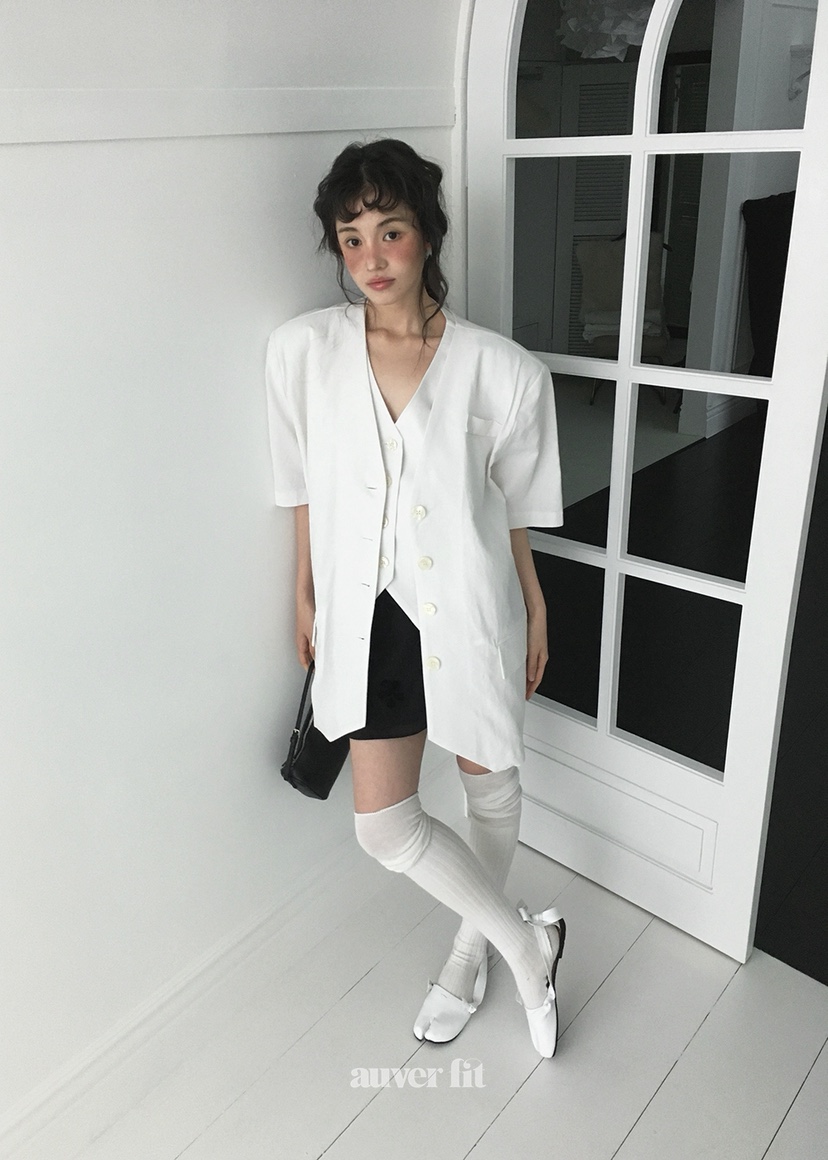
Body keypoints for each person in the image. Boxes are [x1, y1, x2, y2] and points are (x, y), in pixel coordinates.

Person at [266, 138, 567, 1058]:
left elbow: (516, 505)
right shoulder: (302, 352)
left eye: (390, 232)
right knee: (384, 825)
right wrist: (303, 590)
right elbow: (301, 483)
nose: (371, 258)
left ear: (427, 235)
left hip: (470, 602)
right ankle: (527, 945)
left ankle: (472, 955)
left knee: (490, 790)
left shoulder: (504, 371)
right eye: (351, 238)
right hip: (367, 615)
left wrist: (534, 603)